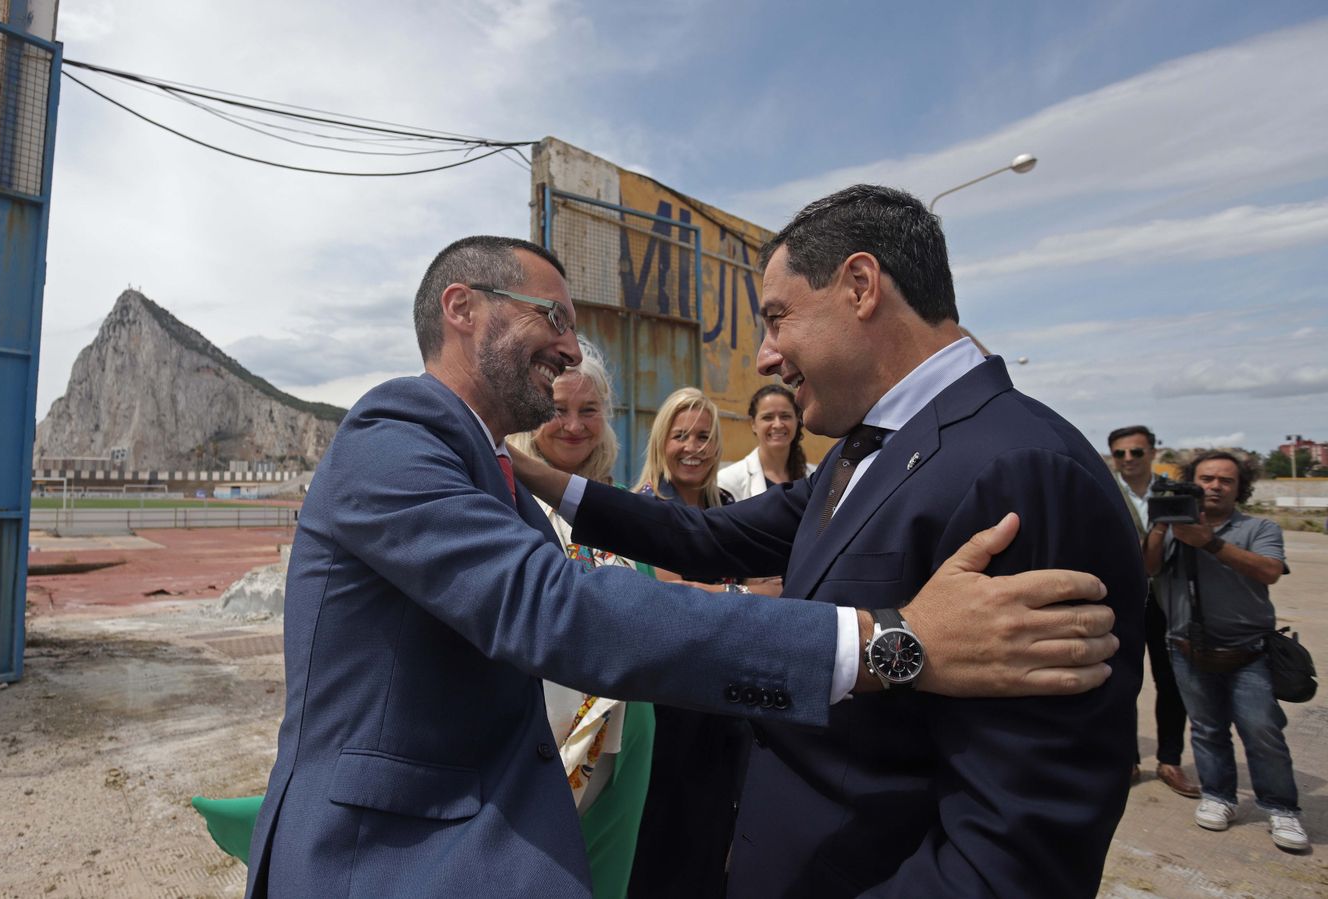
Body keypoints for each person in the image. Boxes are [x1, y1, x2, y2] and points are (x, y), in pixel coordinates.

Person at [245, 234, 1120, 899]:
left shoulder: (1006, 464)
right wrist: (895, 641)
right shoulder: (392, 433)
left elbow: (704, 542)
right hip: (392, 863)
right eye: (552, 316)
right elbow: (562, 610)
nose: (568, 346)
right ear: (462, 307)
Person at [516, 185, 1145, 898]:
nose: (766, 357)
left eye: (778, 319)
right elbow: (706, 535)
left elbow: (1016, 846)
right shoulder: (859, 453)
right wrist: (537, 475)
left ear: (860, 285)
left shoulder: (1021, 470)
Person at [505, 340, 655, 899]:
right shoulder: (505, 498)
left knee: (605, 880)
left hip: (627, 741)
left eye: (587, 411)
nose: (572, 425)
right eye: (557, 410)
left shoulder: (614, 503)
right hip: (539, 742)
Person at [1144, 451, 1308, 852]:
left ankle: (1280, 807)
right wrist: (1160, 528)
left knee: (1262, 731)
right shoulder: (1173, 530)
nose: (1215, 486)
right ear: (1192, 483)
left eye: (1225, 481)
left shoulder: (1258, 527)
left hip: (1248, 651)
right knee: (1206, 729)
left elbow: (1269, 570)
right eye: (1206, 479)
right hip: (1185, 648)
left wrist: (1211, 543)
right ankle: (1218, 796)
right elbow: (1147, 569)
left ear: (1239, 488)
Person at [625, 387, 748, 898]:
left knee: (710, 845)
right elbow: (669, 599)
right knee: (655, 848)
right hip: (661, 709)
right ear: (661, 442)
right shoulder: (640, 509)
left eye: (703, 436)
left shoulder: (730, 507)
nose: (692, 447)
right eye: (681, 436)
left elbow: (774, 591)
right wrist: (739, 594)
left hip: (723, 708)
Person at [1108, 424, 1198, 798]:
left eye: (1137, 452)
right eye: (1121, 453)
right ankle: (1127, 758)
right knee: (1122, 681)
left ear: (1152, 453)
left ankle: (1170, 759)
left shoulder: (1176, 492)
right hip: (1123, 601)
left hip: (1169, 601)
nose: (1129, 459)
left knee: (1172, 680)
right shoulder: (1103, 487)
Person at [718, 383, 813, 501]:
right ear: (753, 424)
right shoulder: (728, 481)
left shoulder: (815, 477)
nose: (778, 425)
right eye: (768, 417)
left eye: (785, 416)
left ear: (797, 420)